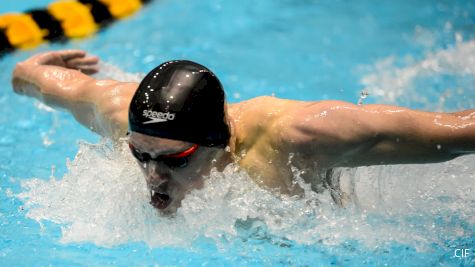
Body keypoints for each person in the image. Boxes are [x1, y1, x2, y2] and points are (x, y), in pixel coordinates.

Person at [12, 50, 475, 213]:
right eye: (141, 155)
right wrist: (29, 69)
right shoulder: (120, 115)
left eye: (176, 159)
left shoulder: (299, 138)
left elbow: (457, 130)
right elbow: (34, 78)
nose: (152, 177)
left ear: (220, 142)